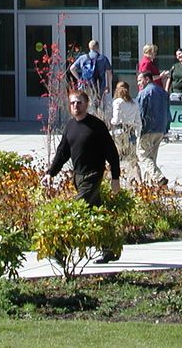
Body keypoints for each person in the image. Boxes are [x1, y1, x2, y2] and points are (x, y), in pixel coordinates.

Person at [42, 88, 123, 263]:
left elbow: (112, 153)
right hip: (78, 177)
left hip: (93, 176)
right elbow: (62, 153)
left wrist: (115, 178)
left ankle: (60, 249)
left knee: (74, 211)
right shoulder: (70, 126)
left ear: (86, 104)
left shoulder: (97, 126)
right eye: (72, 103)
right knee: (95, 213)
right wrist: (50, 173)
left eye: (79, 102)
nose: (76, 106)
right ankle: (109, 248)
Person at [136, 71, 169, 185]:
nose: (139, 83)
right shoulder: (162, 92)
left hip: (148, 129)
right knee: (152, 157)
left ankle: (158, 177)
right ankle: (150, 183)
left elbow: (140, 113)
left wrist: (138, 128)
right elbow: (167, 111)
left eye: (140, 80)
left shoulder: (144, 93)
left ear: (147, 79)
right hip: (160, 128)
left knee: (142, 155)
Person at [110, 80, 143, 185]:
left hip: (120, 132)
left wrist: (110, 122)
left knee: (114, 159)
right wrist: (138, 133)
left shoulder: (117, 102)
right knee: (133, 159)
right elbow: (138, 120)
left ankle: (113, 181)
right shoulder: (134, 102)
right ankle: (139, 181)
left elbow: (115, 119)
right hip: (131, 131)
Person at [70, 39, 113, 115]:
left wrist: (79, 79)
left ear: (89, 47)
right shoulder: (103, 58)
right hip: (99, 87)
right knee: (98, 108)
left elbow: (72, 68)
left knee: (85, 105)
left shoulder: (82, 58)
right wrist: (108, 86)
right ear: (98, 47)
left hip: (85, 86)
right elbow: (109, 73)